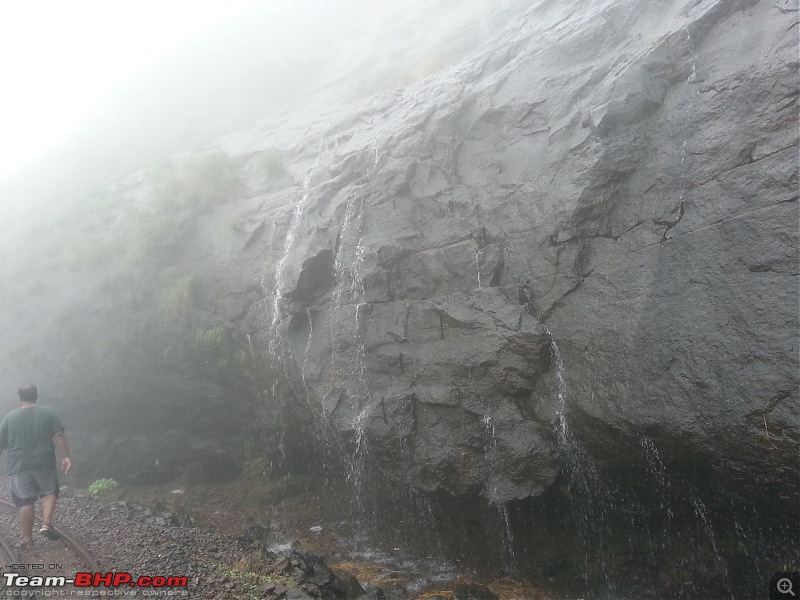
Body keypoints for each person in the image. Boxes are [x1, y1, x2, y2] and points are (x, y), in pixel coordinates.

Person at [0, 384, 72, 547]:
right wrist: (66, 456)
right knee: (49, 492)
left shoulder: (10, 417)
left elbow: (1, 444)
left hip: (18, 465)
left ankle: (27, 539)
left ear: (19, 398)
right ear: (36, 396)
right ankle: (46, 524)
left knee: (24, 501)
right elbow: (59, 434)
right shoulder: (48, 413)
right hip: (44, 461)